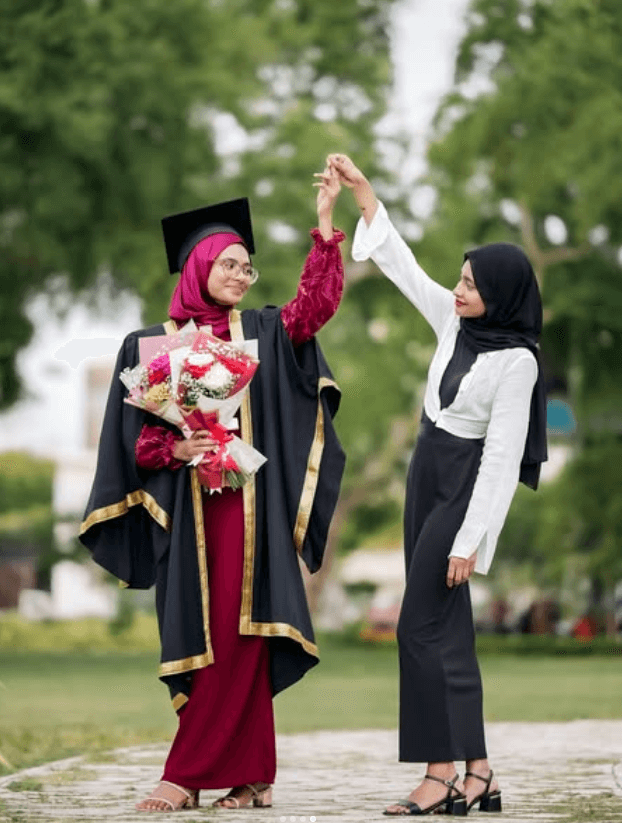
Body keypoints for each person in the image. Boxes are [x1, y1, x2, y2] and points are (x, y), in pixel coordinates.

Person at [79, 167, 346, 812]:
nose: (241, 275)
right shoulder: (150, 345)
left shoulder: (261, 333)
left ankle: (186, 775)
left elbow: (314, 308)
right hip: (187, 514)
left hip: (249, 512)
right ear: (198, 265)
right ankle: (252, 777)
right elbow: (133, 443)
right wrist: (176, 447)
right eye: (229, 263)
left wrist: (326, 226)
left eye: (248, 267)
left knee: (244, 634)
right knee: (203, 642)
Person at [328, 154, 547, 816]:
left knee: (417, 627)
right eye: (461, 277)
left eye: (473, 284)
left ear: (501, 294)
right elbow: (404, 269)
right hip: (425, 470)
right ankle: (479, 772)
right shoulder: (456, 322)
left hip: (464, 486)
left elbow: (501, 456)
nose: (458, 289)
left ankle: (440, 772)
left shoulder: (517, 362)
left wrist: (470, 539)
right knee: (449, 630)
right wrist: (365, 196)